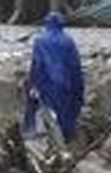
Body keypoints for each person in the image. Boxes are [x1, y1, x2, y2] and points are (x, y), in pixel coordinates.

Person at [23, 11, 84, 145]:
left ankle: (43, 139)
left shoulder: (40, 40)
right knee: (66, 112)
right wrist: (79, 87)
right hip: (66, 84)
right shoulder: (68, 41)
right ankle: (66, 138)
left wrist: (33, 84)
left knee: (46, 112)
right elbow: (75, 66)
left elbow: (37, 64)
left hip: (46, 84)